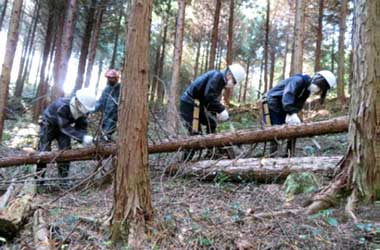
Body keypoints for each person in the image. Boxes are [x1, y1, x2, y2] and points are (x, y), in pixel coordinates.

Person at [180, 63, 246, 160]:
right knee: (195, 135)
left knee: (212, 123)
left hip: (197, 105)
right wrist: (221, 109)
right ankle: (183, 163)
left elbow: (209, 101)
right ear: (230, 75)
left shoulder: (219, 81)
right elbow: (209, 96)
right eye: (234, 82)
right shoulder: (217, 77)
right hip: (189, 104)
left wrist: (216, 112)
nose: (233, 85)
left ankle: (211, 152)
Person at [265, 70, 336, 156]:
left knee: (294, 128)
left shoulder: (307, 90)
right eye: (320, 87)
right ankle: (272, 156)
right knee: (276, 129)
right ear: (317, 80)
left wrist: (295, 115)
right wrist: (290, 112)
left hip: (284, 105)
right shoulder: (298, 80)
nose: (318, 90)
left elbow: (298, 104)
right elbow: (288, 95)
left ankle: (289, 155)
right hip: (273, 102)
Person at [36, 88, 96, 185]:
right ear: (78, 102)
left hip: (64, 127)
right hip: (49, 124)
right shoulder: (62, 106)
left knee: (66, 151)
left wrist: (84, 137)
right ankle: (39, 180)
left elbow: (81, 127)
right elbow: (64, 127)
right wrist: (82, 137)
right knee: (44, 151)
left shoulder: (82, 111)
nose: (86, 111)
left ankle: (63, 180)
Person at [95, 69, 121, 141]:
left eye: (111, 78)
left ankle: (106, 147)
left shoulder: (121, 89)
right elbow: (101, 102)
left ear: (116, 78)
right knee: (102, 135)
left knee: (106, 135)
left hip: (114, 118)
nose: (109, 79)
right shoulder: (107, 89)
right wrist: (91, 109)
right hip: (105, 116)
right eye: (108, 77)